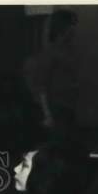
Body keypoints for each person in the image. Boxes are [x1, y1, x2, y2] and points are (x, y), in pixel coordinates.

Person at [24, 9, 80, 142]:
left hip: (68, 106)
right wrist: (47, 115)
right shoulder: (50, 53)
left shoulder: (67, 51)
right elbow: (41, 86)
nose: (74, 30)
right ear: (63, 28)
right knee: (59, 145)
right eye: (71, 25)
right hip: (56, 108)